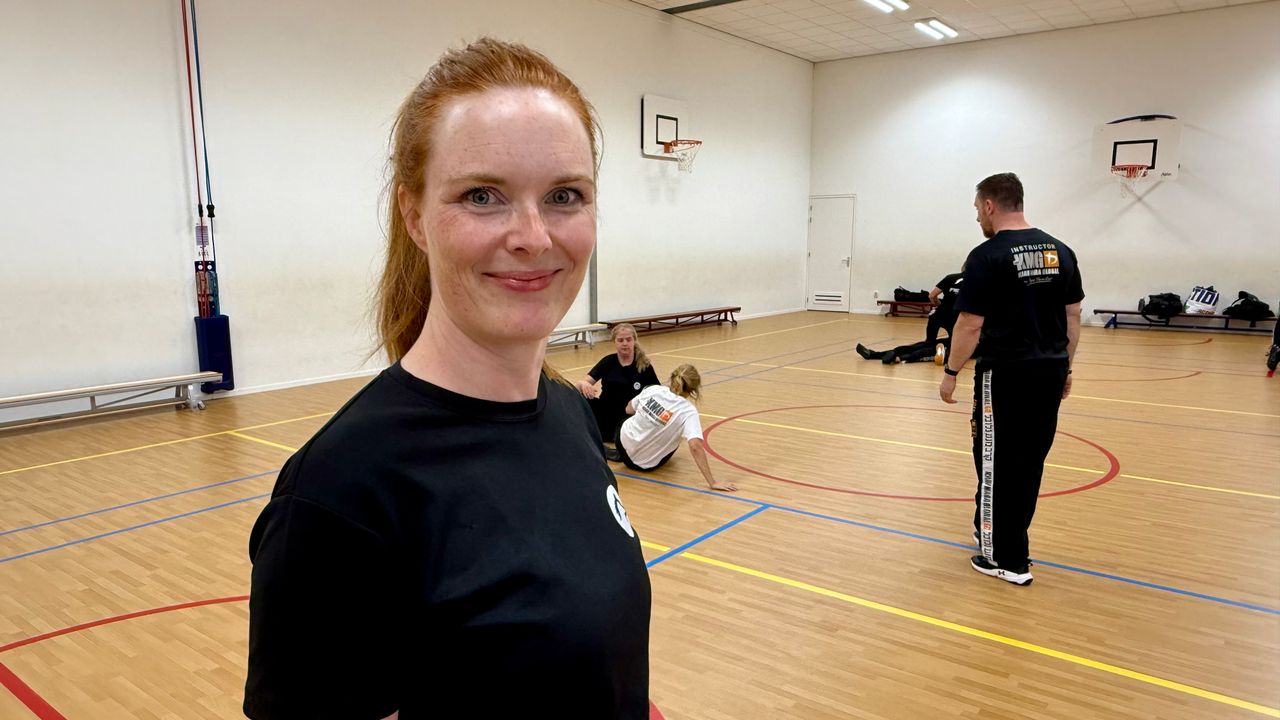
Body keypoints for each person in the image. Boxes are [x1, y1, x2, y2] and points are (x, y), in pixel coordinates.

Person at [243, 39, 650, 719]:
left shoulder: (568, 416)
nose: (532, 235)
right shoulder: (341, 492)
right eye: (482, 196)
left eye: (564, 196)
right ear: (414, 215)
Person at [938, 172, 1083, 586]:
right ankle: (999, 533)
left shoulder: (987, 255)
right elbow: (1073, 318)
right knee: (1028, 461)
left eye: (976, 209)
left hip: (1005, 372)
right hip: (1049, 369)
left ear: (988, 205)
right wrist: (1066, 367)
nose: (977, 218)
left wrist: (951, 373)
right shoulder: (1062, 251)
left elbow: (968, 324)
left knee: (995, 459)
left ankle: (1006, 558)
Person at [616, 364, 737, 492]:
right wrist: (712, 482)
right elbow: (695, 446)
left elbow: (628, 409)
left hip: (620, 444)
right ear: (692, 390)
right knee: (677, 432)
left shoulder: (654, 389)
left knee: (630, 418)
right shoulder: (688, 411)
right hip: (644, 465)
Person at [577, 323, 660, 457]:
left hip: (629, 417)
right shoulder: (608, 362)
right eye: (620, 340)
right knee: (581, 397)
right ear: (615, 342)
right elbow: (581, 383)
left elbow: (657, 393)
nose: (625, 343)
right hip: (606, 412)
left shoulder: (644, 366)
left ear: (634, 341)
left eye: (628, 339)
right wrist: (584, 384)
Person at [857, 271, 964, 364]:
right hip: (958, 322)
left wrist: (940, 305)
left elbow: (931, 296)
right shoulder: (976, 282)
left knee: (926, 344)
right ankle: (900, 357)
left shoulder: (951, 277)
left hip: (938, 315)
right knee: (936, 347)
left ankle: (877, 354)